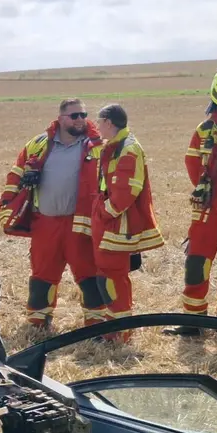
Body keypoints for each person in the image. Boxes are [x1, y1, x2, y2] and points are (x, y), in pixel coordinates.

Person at [0, 98, 108, 333]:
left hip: (80, 223)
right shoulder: (38, 144)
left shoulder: (96, 145)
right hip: (45, 223)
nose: (80, 120)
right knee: (42, 275)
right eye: (74, 115)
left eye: (83, 114)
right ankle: (38, 324)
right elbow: (15, 176)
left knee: (89, 274)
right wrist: (12, 202)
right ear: (61, 118)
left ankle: (96, 325)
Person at [90, 103, 165, 342]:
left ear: (109, 123)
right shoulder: (114, 146)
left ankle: (120, 333)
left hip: (117, 226)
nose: (97, 126)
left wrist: (105, 212)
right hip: (109, 224)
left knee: (113, 278)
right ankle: (113, 330)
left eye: (99, 121)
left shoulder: (128, 149)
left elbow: (127, 191)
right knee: (106, 276)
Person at [175, 72, 217, 334]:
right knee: (195, 264)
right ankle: (193, 322)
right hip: (208, 210)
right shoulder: (204, 131)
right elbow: (192, 163)